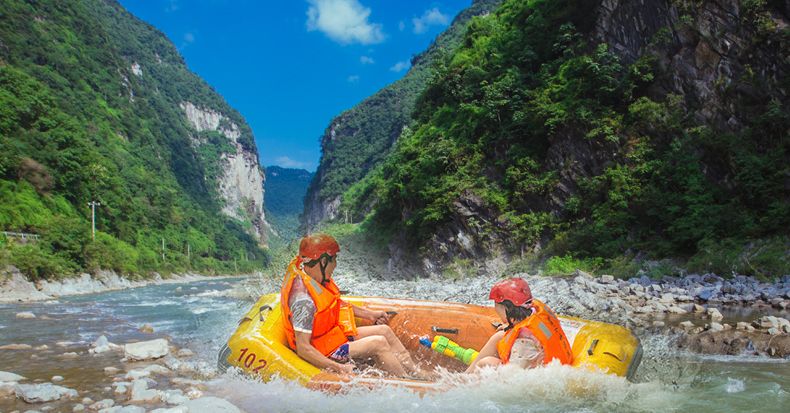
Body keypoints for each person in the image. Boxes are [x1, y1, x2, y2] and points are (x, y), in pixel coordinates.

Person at [280, 233, 424, 378]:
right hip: (323, 350)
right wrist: (338, 367)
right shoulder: (303, 301)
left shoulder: (316, 279)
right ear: (323, 261)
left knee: (384, 330)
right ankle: (405, 381)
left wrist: (370, 314)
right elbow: (303, 349)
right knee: (378, 343)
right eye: (334, 259)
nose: (335, 265)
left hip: (330, 338)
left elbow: (335, 303)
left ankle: (415, 371)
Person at [465, 277, 573, 372]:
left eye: (498, 309)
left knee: (486, 363)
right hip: (557, 360)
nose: (497, 312)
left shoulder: (523, 343)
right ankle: (466, 375)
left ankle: (465, 382)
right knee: (499, 336)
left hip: (534, 378)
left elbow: (515, 377)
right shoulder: (534, 310)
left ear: (507, 309)